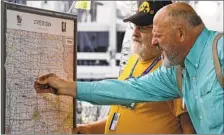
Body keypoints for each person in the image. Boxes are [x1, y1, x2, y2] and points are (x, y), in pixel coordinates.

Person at [34, 2, 224, 134]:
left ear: (180, 33)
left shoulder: (220, 52)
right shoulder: (177, 73)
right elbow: (128, 89)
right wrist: (68, 87)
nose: (155, 42)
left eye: (158, 35)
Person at [72, 1, 194, 134]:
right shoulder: (133, 61)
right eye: (134, 26)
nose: (135, 33)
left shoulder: (174, 70)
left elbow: (189, 127)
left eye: (143, 27)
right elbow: (120, 116)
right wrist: (88, 129)